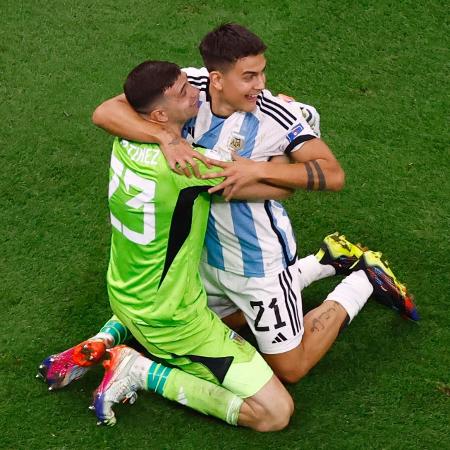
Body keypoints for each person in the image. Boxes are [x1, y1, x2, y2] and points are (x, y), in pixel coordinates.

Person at [39, 24, 418, 395]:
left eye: (262, 72)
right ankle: (326, 259)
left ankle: (362, 278)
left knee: (291, 367)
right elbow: (107, 110)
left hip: (256, 263)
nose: (261, 84)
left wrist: (258, 168)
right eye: (249, 76)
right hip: (203, 256)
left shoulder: (276, 116)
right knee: (181, 326)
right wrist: (166, 138)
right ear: (216, 78)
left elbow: (332, 174)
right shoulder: (189, 88)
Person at [40, 60, 296, 431]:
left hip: (125, 293)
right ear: (159, 113)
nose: (197, 92)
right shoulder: (187, 169)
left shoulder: (126, 137)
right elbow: (280, 186)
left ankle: (106, 335)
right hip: (172, 321)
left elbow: (107, 110)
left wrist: (167, 136)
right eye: (183, 92)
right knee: (275, 413)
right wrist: (281, 124)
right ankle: (141, 370)